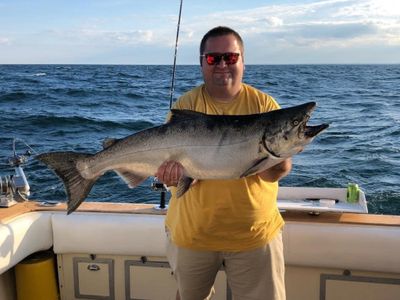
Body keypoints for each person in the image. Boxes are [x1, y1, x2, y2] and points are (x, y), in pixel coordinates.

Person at [155, 26, 291, 300]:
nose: (221, 65)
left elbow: (276, 173)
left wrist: (277, 160)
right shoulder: (186, 105)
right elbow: (176, 176)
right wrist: (170, 177)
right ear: (201, 62)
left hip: (254, 236)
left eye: (230, 57)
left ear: (243, 60)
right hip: (193, 235)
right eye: (212, 58)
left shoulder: (265, 105)